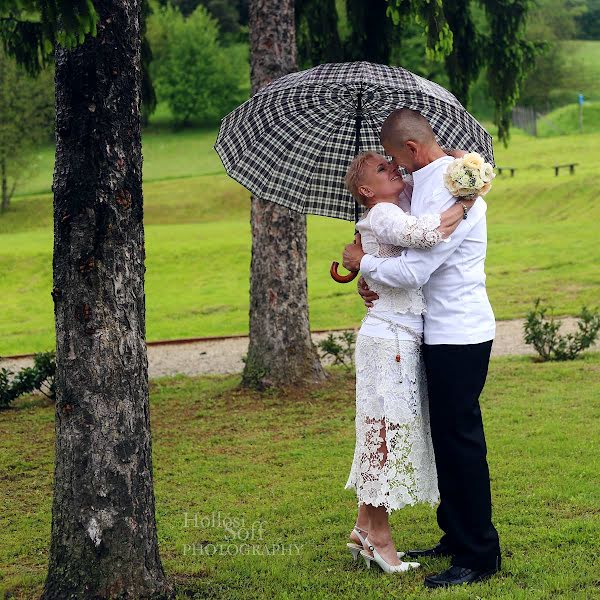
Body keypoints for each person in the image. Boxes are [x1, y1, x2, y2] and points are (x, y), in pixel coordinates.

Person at [342, 108, 501, 588]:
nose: (397, 171)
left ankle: (479, 553)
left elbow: (414, 272)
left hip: (460, 330)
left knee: (460, 441)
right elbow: (396, 238)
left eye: (394, 160)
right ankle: (454, 535)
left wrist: (366, 264)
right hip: (432, 329)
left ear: (410, 151)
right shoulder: (425, 183)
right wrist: (368, 269)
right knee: (444, 438)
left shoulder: (454, 191)